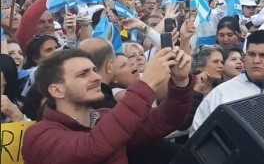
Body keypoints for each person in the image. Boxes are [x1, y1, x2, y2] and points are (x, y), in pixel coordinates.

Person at [22, 47, 195, 164]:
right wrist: (147, 83)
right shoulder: (39, 136)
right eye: (83, 74)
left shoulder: (104, 116)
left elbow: (163, 121)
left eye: (94, 70)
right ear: (57, 91)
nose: (96, 78)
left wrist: (180, 81)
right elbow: (92, 147)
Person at [191, 30, 264, 134]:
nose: (256, 61)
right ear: (244, 57)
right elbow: (198, 134)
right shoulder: (221, 93)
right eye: (251, 54)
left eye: (263, 55)